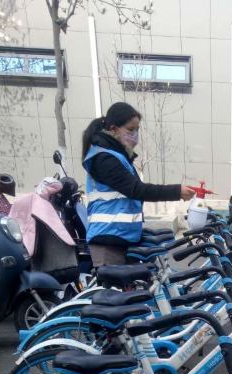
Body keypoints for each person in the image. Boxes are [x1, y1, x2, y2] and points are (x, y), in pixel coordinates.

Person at [82, 102, 195, 267]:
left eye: (137, 130)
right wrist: (177, 191)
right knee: (116, 285)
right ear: (113, 129)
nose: (135, 135)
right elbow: (136, 189)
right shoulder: (104, 158)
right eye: (130, 129)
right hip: (108, 241)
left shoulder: (118, 156)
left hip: (122, 237)